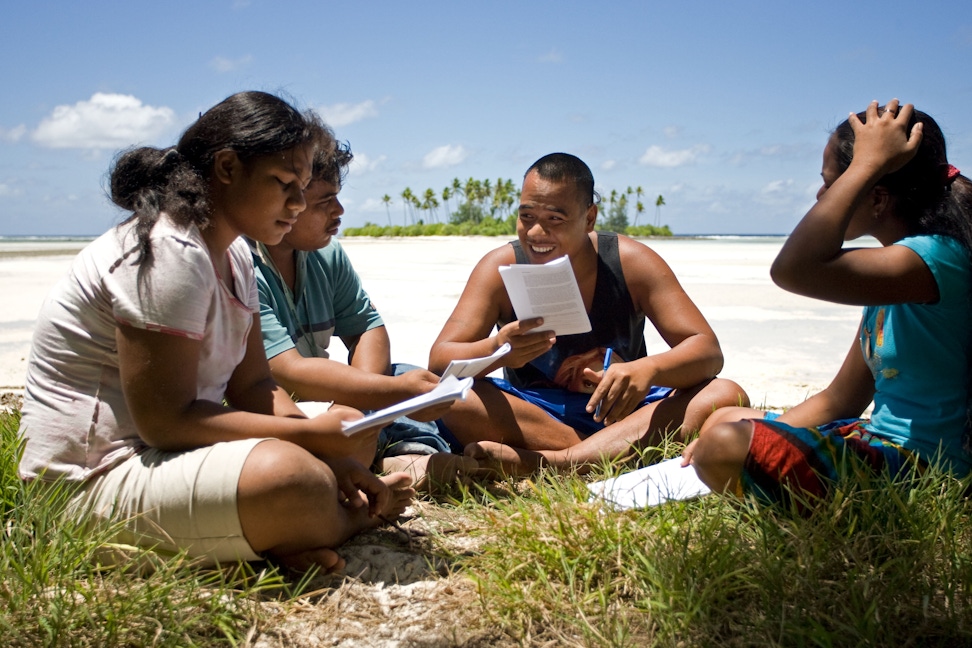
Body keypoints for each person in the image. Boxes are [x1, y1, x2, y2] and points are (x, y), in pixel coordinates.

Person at [17, 91, 414, 573]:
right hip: (89, 484)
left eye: (304, 187)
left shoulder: (236, 256)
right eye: (285, 183)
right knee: (292, 478)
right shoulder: (169, 251)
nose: (298, 202)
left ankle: (268, 540)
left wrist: (326, 450)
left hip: (162, 461)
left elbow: (253, 386)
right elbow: (165, 421)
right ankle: (350, 521)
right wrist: (313, 440)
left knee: (315, 468)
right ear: (227, 168)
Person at [683, 99, 972, 507]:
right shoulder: (896, 267)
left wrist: (865, 166)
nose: (821, 195)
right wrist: (759, 437)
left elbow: (793, 269)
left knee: (723, 444)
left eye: (830, 182)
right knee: (724, 421)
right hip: (877, 439)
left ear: (876, 198)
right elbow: (841, 399)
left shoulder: (934, 257)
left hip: (925, 469)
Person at [429, 152, 748, 475]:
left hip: (626, 411)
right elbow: (439, 363)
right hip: (538, 414)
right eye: (527, 216)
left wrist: (647, 370)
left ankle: (555, 463)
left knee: (726, 393)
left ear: (590, 218)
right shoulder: (499, 268)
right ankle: (612, 453)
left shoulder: (631, 262)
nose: (536, 232)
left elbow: (707, 351)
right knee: (452, 399)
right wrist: (498, 351)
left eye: (555, 219)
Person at [251, 133, 476, 491]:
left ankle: (406, 453)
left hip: (330, 398)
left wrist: (354, 403)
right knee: (393, 389)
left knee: (404, 374)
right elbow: (285, 371)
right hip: (275, 402)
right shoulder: (244, 264)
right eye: (325, 201)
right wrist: (378, 396)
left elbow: (368, 328)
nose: (339, 211)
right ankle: (398, 457)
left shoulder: (326, 253)